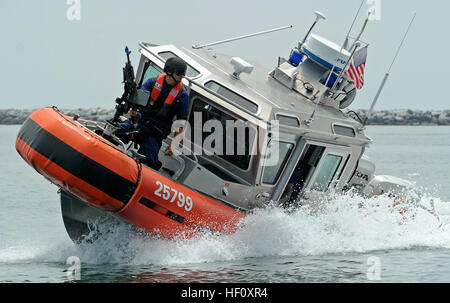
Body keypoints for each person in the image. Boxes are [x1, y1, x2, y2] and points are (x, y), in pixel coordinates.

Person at [115, 57, 189, 169]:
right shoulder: (152, 83)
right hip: (139, 124)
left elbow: (181, 123)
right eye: (179, 73)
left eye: (182, 74)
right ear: (169, 72)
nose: (181, 76)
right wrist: (133, 110)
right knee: (118, 131)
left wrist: (174, 144)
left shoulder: (182, 96)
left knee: (149, 159)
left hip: (155, 133)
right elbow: (137, 101)